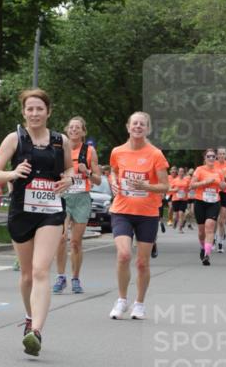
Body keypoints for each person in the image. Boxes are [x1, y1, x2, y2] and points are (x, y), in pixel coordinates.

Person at [0, 89, 73, 356]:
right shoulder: (14, 139)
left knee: (39, 271)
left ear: (48, 112)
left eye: (39, 109)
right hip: (22, 211)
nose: (35, 114)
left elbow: (69, 168)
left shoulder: (61, 141)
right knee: (26, 275)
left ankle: (36, 331)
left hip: (51, 211)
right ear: (24, 112)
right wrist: (13, 172)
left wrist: (69, 179)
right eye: (30, 109)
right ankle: (29, 316)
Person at [108, 111, 169, 319]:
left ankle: (139, 303)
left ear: (148, 129)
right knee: (124, 254)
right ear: (128, 127)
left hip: (147, 213)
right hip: (122, 210)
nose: (138, 127)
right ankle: (122, 300)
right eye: (134, 123)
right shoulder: (118, 152)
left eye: (142, 124)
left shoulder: (156, 154)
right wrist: (113, 182)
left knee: (142, 262)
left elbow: (164, 187)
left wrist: (146, 186)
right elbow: (114, 171)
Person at [53, 117, 101, 294]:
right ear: (67, 130)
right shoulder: (59, 148)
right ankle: (60, 276)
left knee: (75, 242)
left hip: (81, 197)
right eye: (71, 127)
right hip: (63, 196)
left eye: (77, 128)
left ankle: (75, 278)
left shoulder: (89, 151)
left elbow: (97, 179)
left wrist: (86, 171)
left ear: (83, 132)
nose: (74, 130)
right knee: (60, 238)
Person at [189, 149, 225, 266]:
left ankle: (207, 255)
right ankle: (202, 247)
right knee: (201, 231)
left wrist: (222, 185)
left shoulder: (219, 171)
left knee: (210, 227)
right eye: (208, 156)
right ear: (205, 158)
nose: (211, 158)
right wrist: (205, 182)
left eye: (213, 156)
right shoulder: (199, 170)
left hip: (214, 202)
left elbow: (224, 187)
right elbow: (192, 185)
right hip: (200, 201)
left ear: (215, 158)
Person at [214, 147, 226, 252]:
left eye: (223, 154)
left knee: (222, 220)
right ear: (217, 155)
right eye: (220, 154)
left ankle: (220, 242)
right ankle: (212, 239)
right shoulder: (212, 164)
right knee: (214, 218)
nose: (221, 156)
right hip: (214, 193)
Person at [171, 166, 191, 232]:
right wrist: (175, 190)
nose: (181, 173)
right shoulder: (174, 180)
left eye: (182, 171)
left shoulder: (187, 180)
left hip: (183, 199)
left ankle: (180, 228)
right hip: (175, 199)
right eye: (180, 171)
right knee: (175, 216)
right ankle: (175, 222)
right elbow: (170, 189)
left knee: (181, 213)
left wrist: (187, 190)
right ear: (178, 172)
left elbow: (189, 188)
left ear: (184, 173)